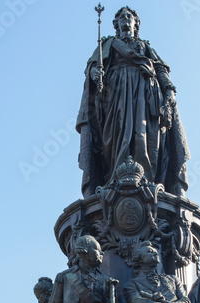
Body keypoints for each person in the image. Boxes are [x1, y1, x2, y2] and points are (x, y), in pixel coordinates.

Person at [77, 6, 190, 198]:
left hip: (145, 95)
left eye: (129, 17)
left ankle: (146, 181)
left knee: (144, 136)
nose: (125, 20)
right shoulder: (108, 44)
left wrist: (169, 90)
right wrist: (94, 73)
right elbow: (93, 68)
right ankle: (115, 179)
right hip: (116, 93)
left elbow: (161, 70)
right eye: (121, 17)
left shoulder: (145, 47)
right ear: (116, 24)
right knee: (118, 134)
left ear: (136, 24)